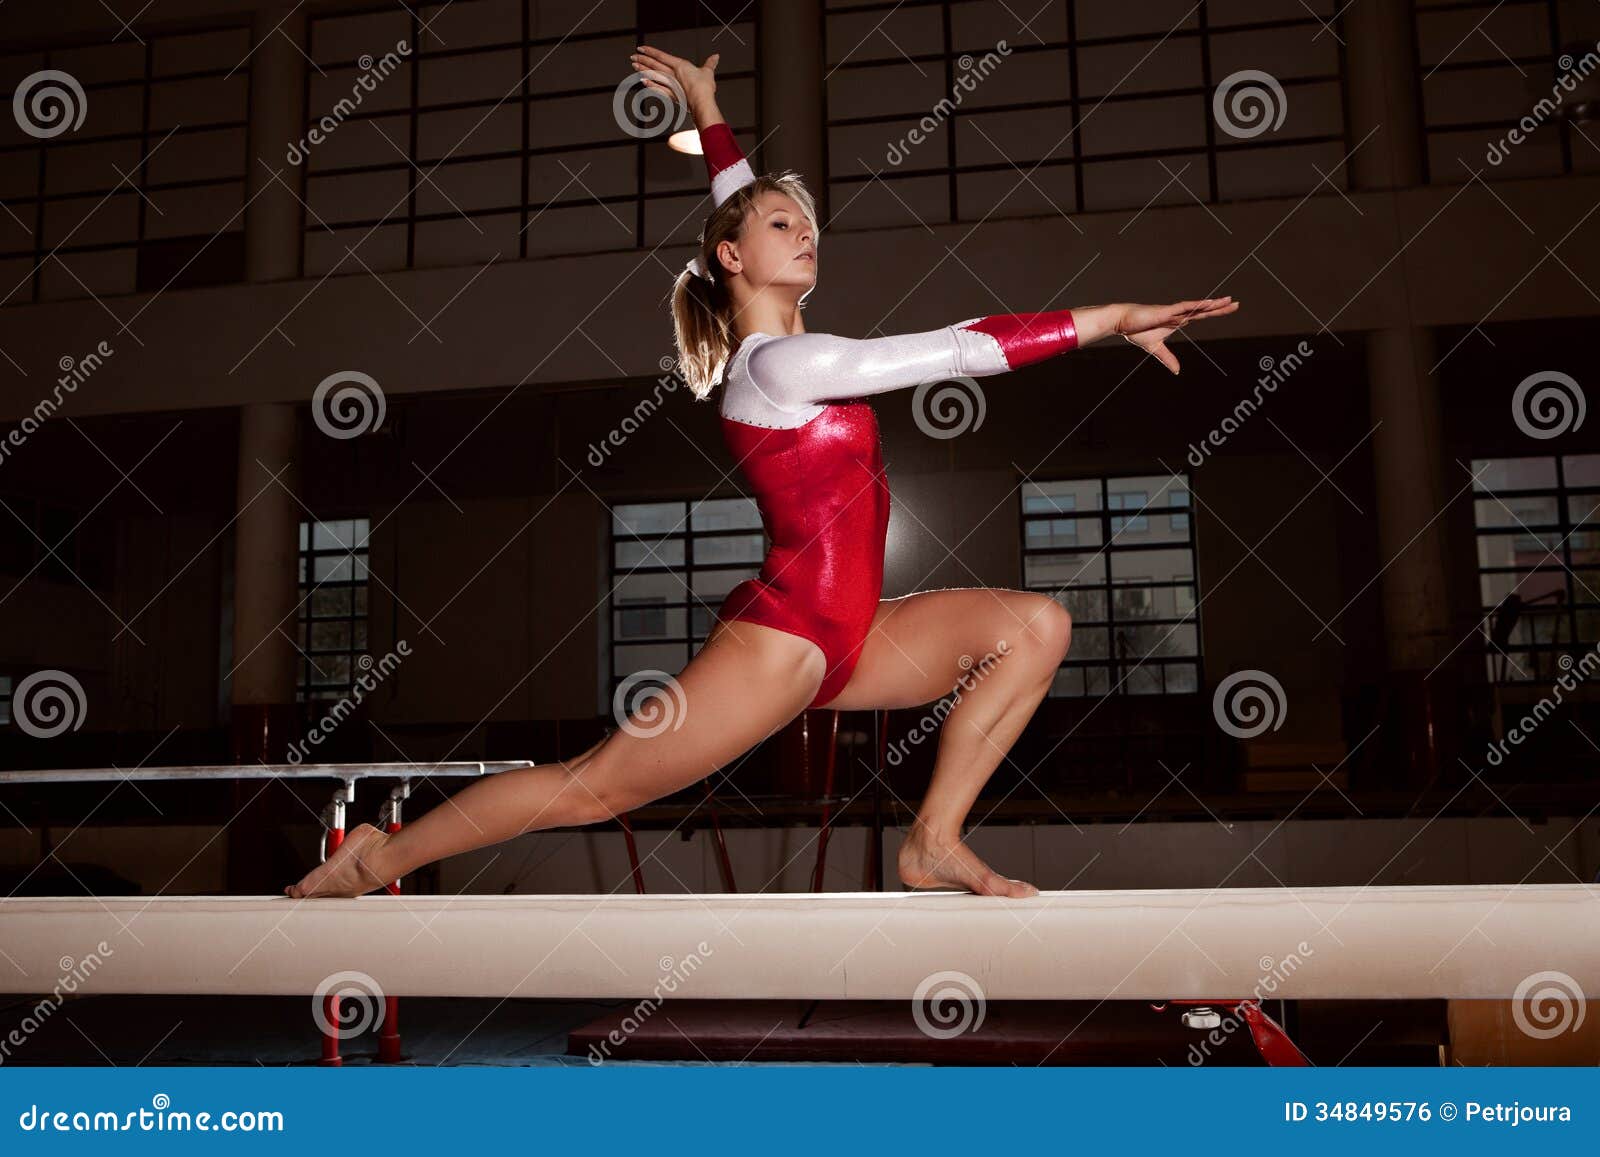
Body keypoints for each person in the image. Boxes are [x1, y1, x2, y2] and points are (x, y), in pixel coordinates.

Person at [285, 46, 1238, 902]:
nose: (808, 234)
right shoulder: (786, 366)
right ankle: (378, 855)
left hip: (857, 631)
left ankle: (934, 839)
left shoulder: (778, 335)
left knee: (1039, 627)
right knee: (595, 785)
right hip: (784, 643)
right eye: (789, 225)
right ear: (736, 258)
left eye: (810, 225)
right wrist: (1112, 316)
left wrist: (708, 112)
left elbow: (738, 208)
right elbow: (957, 350)